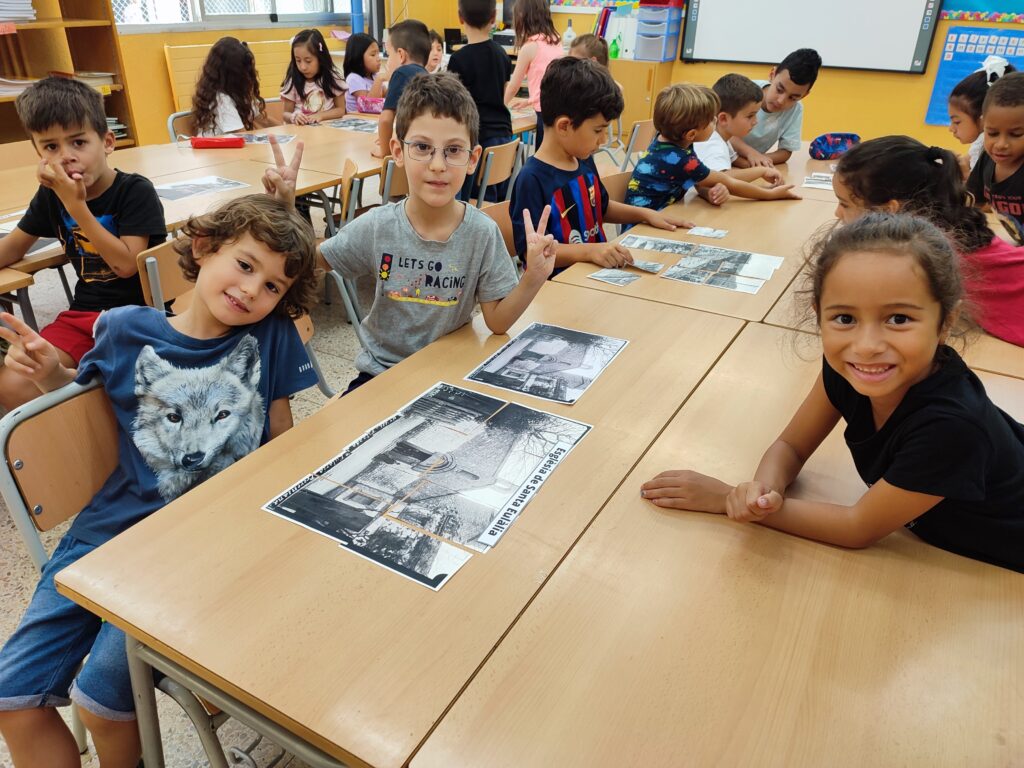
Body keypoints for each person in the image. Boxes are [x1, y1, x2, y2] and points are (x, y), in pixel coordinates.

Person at [0, 190, 320, 767]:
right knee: (12, 698)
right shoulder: (124, 329)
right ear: (204, 247)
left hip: (197, 552)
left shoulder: (269, 336)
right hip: (105, 536)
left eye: (273, 286)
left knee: (100, 703)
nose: (253, 289)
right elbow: (82, 402)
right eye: (245, 264)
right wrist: (52, 375)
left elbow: (282, 444)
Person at [642, 212, 1024, 573]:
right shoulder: (849, 369)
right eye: (845, 318)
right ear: (819, 312)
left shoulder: (952, 427)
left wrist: (726, 498)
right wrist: (761, 493)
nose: (867, 346)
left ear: (946, 321)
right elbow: (790, 447)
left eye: (899, 319)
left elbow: (857, 527)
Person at [316, 73, 557, 394]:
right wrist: (282, 215)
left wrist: (533, 277)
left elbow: (497, 322)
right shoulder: (378, 226)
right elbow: (314, 260)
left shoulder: (481, 233)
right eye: (422, 147)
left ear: (472, 159)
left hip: (448, 375)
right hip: (381, 374)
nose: (438, 165)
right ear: (397, 151)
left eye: (453, 150)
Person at [0, 76, 166, 411]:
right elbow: (14, 247)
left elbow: (125, 265)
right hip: (85, 314)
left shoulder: (135, 191)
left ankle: (92, 392)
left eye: (78, 142)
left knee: (126, 382)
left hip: (141, 316)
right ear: (39, 153)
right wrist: (65, 199)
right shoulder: (51, 195)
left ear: (107, 141)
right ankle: (84, 396)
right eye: (51, 147)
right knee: (14, 383)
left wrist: (77, 207)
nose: (66, 157)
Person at [833, 135, 1024, 347]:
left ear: (888, 209)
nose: (837, 213)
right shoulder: (948, 223)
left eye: (844, 204)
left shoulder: (919, 258)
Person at [510, 57, 692, 272]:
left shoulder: (583, 159)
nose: (604, 140)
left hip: (595, 275)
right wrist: (589, 251)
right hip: (559, 285)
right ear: (564, 126)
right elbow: (532, 253)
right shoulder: (532, 179)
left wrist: (647, 214)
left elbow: (601, 207)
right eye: (598, 130)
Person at [625, 83, 799, 212]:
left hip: (660, 216)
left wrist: (710, 191)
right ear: (691, 134)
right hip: (643, 228)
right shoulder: (680, 159)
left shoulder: (670, 143)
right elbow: (728, 181)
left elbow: (701, 180)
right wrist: (770, 194)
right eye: (710, 120)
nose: (715, 121)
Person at [447, 0, 513, 203]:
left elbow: (452, 105)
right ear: (493, 18)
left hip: (478, 140)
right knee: (495, 197)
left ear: (460, 18)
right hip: (504, 135)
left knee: (474, 198)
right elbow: (502, 93)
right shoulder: (502, 54)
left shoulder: (459, 59)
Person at [692, 73, 786, 204]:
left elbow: (735, 161)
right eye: (750, 116)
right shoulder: (713, 144)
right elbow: (722, 178)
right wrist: (761, 172)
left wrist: (766, 170)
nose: (755, 121)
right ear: (723, 119)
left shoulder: (722, 135)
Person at [731, 48, 822, 168]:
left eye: (793, 98)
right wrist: (750, 155)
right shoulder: (744, 91)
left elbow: (785, 152)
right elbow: (722, 131)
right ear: (772, 74)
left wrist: (759, 160)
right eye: (779, 89)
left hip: (748, 166)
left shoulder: (796, 110)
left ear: (804, 95)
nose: (781, 101)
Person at [968, 71, 1024, 244]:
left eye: (1016, 134)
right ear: (983, 124)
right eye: (992, 133)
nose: (1001, 144)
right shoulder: (987, 160)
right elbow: (971, 202)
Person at [503, 0, 562, 148]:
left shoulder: (530, 47)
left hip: (545, 113)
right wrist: (531, 100)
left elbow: (513, 87)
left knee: (544, 155)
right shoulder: (555, 40)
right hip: (559, 107)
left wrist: (500, 107)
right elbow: (549, 81)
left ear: (522, 16)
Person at [948, 55, 1015, 176]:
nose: (951, 128)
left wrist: (964, 172)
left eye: (957, 122)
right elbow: (967, 160)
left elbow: (979, 185)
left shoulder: (994, 151)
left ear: (984, 118)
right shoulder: (980, 144)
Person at [374, 19, 431, 159]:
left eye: (388, 55)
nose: (387, 61)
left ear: (401, 55)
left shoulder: (401, 73)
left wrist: (384, 151)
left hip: (408, 156)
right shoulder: (427, 76)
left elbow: (386, 119)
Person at [191, 37, 270, 136]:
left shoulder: (236, 93)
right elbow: (242, 135)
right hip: (218, 146)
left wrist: (284, 129)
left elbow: (261, 118)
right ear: (232, 74)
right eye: (244, 71)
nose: (248, 76)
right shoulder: (221, 99)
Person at [280, 28, 347, 125]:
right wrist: (293, 117)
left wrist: (321, 116)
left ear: (320, 58)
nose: (303, 67)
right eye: (298, 60)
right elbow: (285, 114)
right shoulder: (293, 80)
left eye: (308, 61)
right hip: (301, 131)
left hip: (327, 130)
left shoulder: (332, 78)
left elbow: (341, 110)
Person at [343, 32, 385, 112]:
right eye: (373, 55)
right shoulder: (354, 78)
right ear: (358, 57)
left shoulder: (374, 76)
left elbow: (387, 95)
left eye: (378, 53)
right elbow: (368, 106)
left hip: (371, 117)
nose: (378, 59)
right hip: (356, 119)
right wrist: (379, 79)